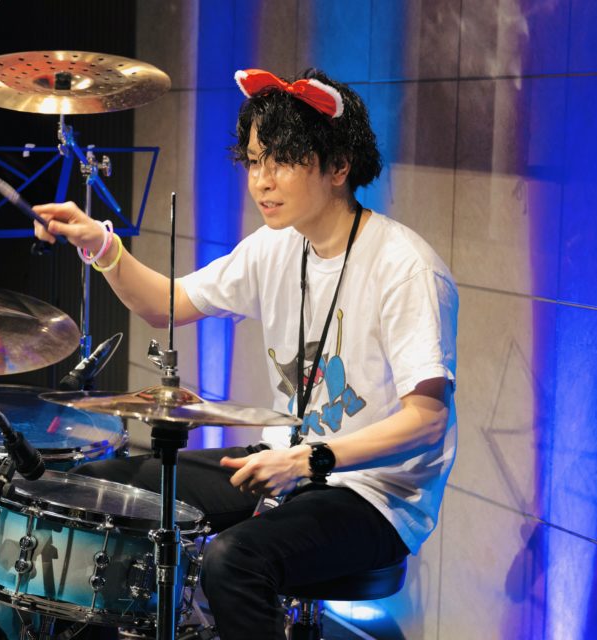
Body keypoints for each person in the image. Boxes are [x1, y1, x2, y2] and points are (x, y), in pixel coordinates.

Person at [33, 67, 458, 640]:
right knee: (105, 488)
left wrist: (308, 461)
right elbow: (168, 303)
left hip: (376, 495)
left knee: (232, 560)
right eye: (255, 162)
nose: (262, 181)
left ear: (338, 166)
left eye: (282, 161)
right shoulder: (275, 246)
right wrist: (101, 246)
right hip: (289, 462)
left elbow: (427, 421)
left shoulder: (405, 268)